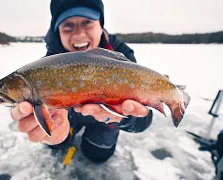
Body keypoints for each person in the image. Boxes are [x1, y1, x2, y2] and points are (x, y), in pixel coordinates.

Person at [11, 0, 153, 163]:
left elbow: (144, 121)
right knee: (57, 145)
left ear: (101, 25)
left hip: (106, 123)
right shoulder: (45, 68)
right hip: (67, 119)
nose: (79, 35)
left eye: (87, 23)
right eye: (68, 25)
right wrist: (53, 133)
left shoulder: (123, 58)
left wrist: (123, 116)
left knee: (98, 154)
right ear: (58, 32)